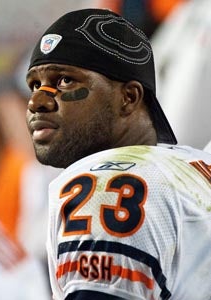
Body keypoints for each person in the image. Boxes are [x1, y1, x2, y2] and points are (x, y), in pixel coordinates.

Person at [25, 8, 211, 300]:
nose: (37, 101)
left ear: (129, 97)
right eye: (34, 85)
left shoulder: (105, 186)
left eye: (65, 81)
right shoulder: (195, 164)